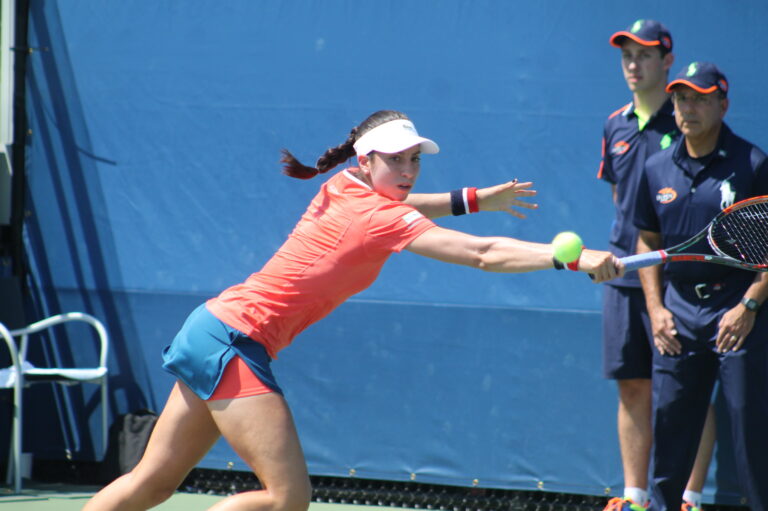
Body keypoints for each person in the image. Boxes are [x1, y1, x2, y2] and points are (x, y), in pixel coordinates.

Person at [84, 110, 623, 511]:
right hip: (234, 342)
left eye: (414, 159)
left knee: (153, 482)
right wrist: (567, 258)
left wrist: (473, 199)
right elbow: (481, 254)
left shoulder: (343, 185)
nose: (409, 169)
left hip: (211, 328)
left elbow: (405, 201)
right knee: (288, 499)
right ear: (367, 160)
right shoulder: (381, 219)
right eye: (396, 159)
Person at [634, 63, 768, 511]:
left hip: (738, 312)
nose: (688, 108)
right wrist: (656, 310)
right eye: (681, 98)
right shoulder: (654, 168)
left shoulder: (753, 164)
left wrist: (748, 305)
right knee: (670, 426)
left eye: (700, 98)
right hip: (677, 314)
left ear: (723, 106)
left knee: (751, 429)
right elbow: (647, 242)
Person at [597, 20, 715, 511]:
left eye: (644, 55)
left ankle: (688, 497)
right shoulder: (615, 124)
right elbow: (624, 199)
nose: (633, 63)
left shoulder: (687, 118)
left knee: (689, 389)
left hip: (682, 281)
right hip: (624, 272)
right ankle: (635, 497)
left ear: (667, 61)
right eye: (627, 54)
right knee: (632, 382)